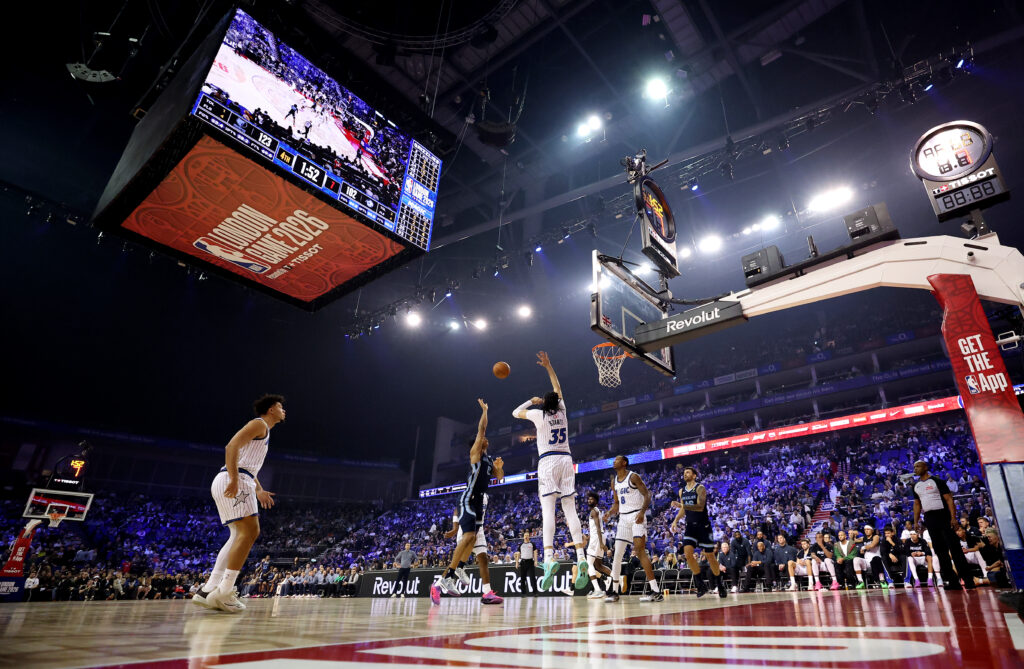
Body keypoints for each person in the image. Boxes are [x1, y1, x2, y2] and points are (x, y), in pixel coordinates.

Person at [194, 394, 284, 613]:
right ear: (271, 409)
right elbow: (231, 446)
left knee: (237, 535)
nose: (284, 410)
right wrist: (235, 478)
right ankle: (225, 592)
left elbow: (247, 464)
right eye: (281, 407)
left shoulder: (263, 430)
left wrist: (260, 489)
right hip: (234, 479)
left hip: (234, 478)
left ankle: (209, 589)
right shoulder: (259, 424)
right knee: (251, 531)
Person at [513, 351, 587, 591]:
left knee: (548, 511)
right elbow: (557, 386)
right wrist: (548, 365)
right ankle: (582, 557)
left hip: (548, 462)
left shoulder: (538, 414)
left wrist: (531, 401)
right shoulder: (563, 410)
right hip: (567, 460)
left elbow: (515, 412)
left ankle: (548, 558)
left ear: (544, 403)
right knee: (570, 509)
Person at [431, 399, 503, 605]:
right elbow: (482, 428)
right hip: (469, 500)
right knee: (469, 536)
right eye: (482, 439)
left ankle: (458, 572)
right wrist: (485, 411)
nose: (485, 439)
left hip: (479, 502)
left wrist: (499, 466)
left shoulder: (488, 460)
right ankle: (446, 578)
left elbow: (499, 477)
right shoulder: (475, 454)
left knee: (472, 541)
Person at [603, 455, 662, 602]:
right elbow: (617, 503)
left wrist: (642, 512)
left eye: (617, 460)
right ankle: (615, 592)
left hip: (637, 515)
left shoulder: (633, 476)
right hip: (623, 518)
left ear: (624, 463)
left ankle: (656, 591)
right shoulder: (614, 481)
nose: (614, 461)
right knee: (617, 555)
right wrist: (610, 513)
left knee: (640, 551)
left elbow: (647, 494)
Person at [912, 459, 975, 590]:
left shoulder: (937, 481)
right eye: (914, 467)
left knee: (955, 548)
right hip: (929, 518)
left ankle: (968, 580)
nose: (915, 469)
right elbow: (917, 504)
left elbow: (949, 500)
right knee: (940, 551)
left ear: (925, 467)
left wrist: (953, 518)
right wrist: (916, 521)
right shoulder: (916, 486)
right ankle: (952, 581)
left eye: (918, 466)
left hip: (944, 515)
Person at [671, 466, 726, 598]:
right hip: (690, 526)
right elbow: (684, 509)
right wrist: (675, 520)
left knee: (710, 556)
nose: (685, 474)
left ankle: (719, 584)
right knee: (688, 554)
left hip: (703, 526)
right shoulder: (681, 491)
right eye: (684, 473)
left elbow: (700, 506)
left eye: (688, 472)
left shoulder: (700, 488)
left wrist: (682, 505)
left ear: (694, 475)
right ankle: (700, 584)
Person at [445, 491, 503, 605]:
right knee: (456, 562)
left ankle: (487, 593)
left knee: (483, 559)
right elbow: (457, 509)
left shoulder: (486, 495)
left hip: (479, 528)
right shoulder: (471, 490)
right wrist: (455, 528)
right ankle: (438, 585)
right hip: (467, 528)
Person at [584, 491, 614, 600]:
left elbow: (597, 528)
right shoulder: (597, 511)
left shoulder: (593, 511)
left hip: (598, 537)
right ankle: (616, 577)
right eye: (588, 499)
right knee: (598, 565)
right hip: (599, 537)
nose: (589, 500)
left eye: (591, 499)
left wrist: (600, 542)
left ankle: (597, 590)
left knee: (589, 564)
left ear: (596, 501)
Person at [515, 531, 537, 597]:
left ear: (529, 536)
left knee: (532, 577)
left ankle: (535, 592)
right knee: (523, 578)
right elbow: (518, 554)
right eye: (525, 535)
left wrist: (536, 561)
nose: (526, 536)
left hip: (530, 561)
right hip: (523, 562)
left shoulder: (532, 544)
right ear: (523, 537)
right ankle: (523, 593)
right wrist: (517, 562)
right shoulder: (521, 545)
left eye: (527, 535)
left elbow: (535, 552)